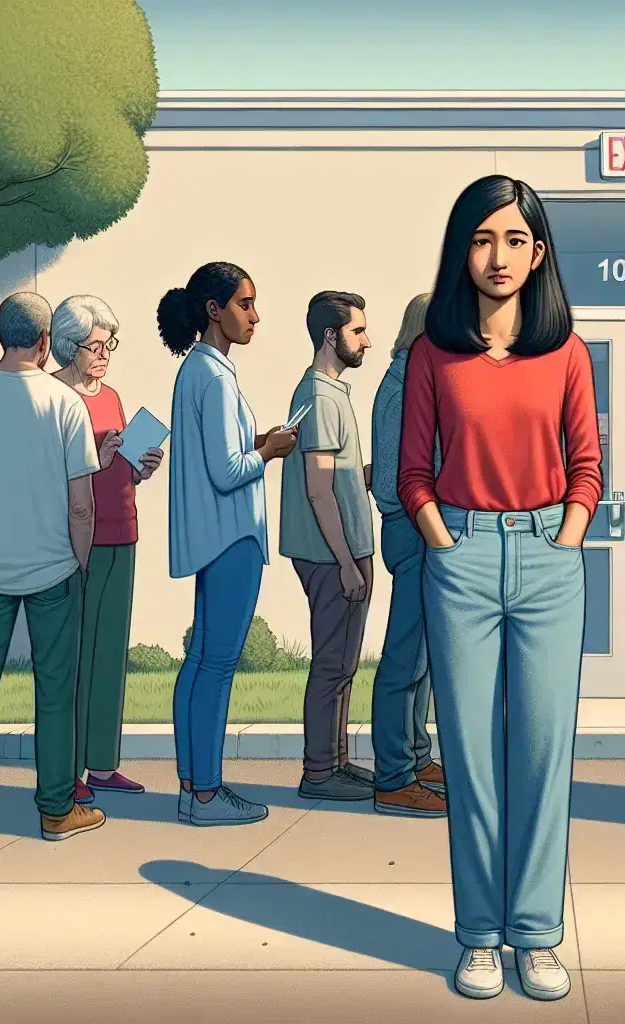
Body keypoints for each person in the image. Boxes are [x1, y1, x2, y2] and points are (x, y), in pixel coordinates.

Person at [398, 175, 601, 1003]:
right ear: (461, 252)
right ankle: (480, 935)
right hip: (464, 559)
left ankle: (537, 934)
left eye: (516, 240)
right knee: (473, 757)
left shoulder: (568, 352)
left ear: (540, 252)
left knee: (544, 751)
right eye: (483, 240)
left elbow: (587, 464)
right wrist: (445, 543)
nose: (499, 257)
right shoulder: (431, 356)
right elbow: (414, 471)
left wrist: (567, 534)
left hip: (551, 559)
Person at [0, 292, 106, 842]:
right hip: (54, 569)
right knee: (55, 690)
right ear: (44, 342)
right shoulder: (65, 405)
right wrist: (78, 561)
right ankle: (56, 810)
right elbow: (81, 503)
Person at [160, 262, 298, 827]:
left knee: (199, 661)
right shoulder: (214, 377)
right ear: (214, 310)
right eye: (244, 304)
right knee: (217, 664)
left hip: (212, 535)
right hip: (232, 535)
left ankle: (194, 785)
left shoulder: (199, 370)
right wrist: (270, 452)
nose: (255, 316)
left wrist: (258, 440)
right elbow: (227, 470)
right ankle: (209, 796)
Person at [50, 295, 164, 806]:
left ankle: (102, 764)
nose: (103, 355)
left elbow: (118, 464)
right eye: (94, 347)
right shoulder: (51, 397)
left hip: (124, 529)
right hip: (77, 537)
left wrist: (139, 466)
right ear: (68, 347)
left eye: (108, 345)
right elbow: (48, 475)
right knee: (75, 654)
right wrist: (96, 459)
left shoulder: (112, 395)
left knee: (111, 652)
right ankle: (68, 768)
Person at [279, 290, 379, 802]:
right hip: (330, 553)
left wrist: (373, 472)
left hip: (342, 547)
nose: (367, 340)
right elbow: (318, 489)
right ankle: (319, 771)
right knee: (331, 663)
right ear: (330, 336)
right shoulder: (319, 396)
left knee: (343, 663)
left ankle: (337, 761)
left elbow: (338, 479)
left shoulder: (332, 392)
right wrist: (345, 562)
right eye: (358, 331)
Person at [368, 291, 449, 817]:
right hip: (411, 530)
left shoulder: (416, 379)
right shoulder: (400, 387)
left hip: (421, 530)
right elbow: (394, 480)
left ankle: (415, 756)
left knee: (420, 656)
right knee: (404, 654)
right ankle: (393, 775)